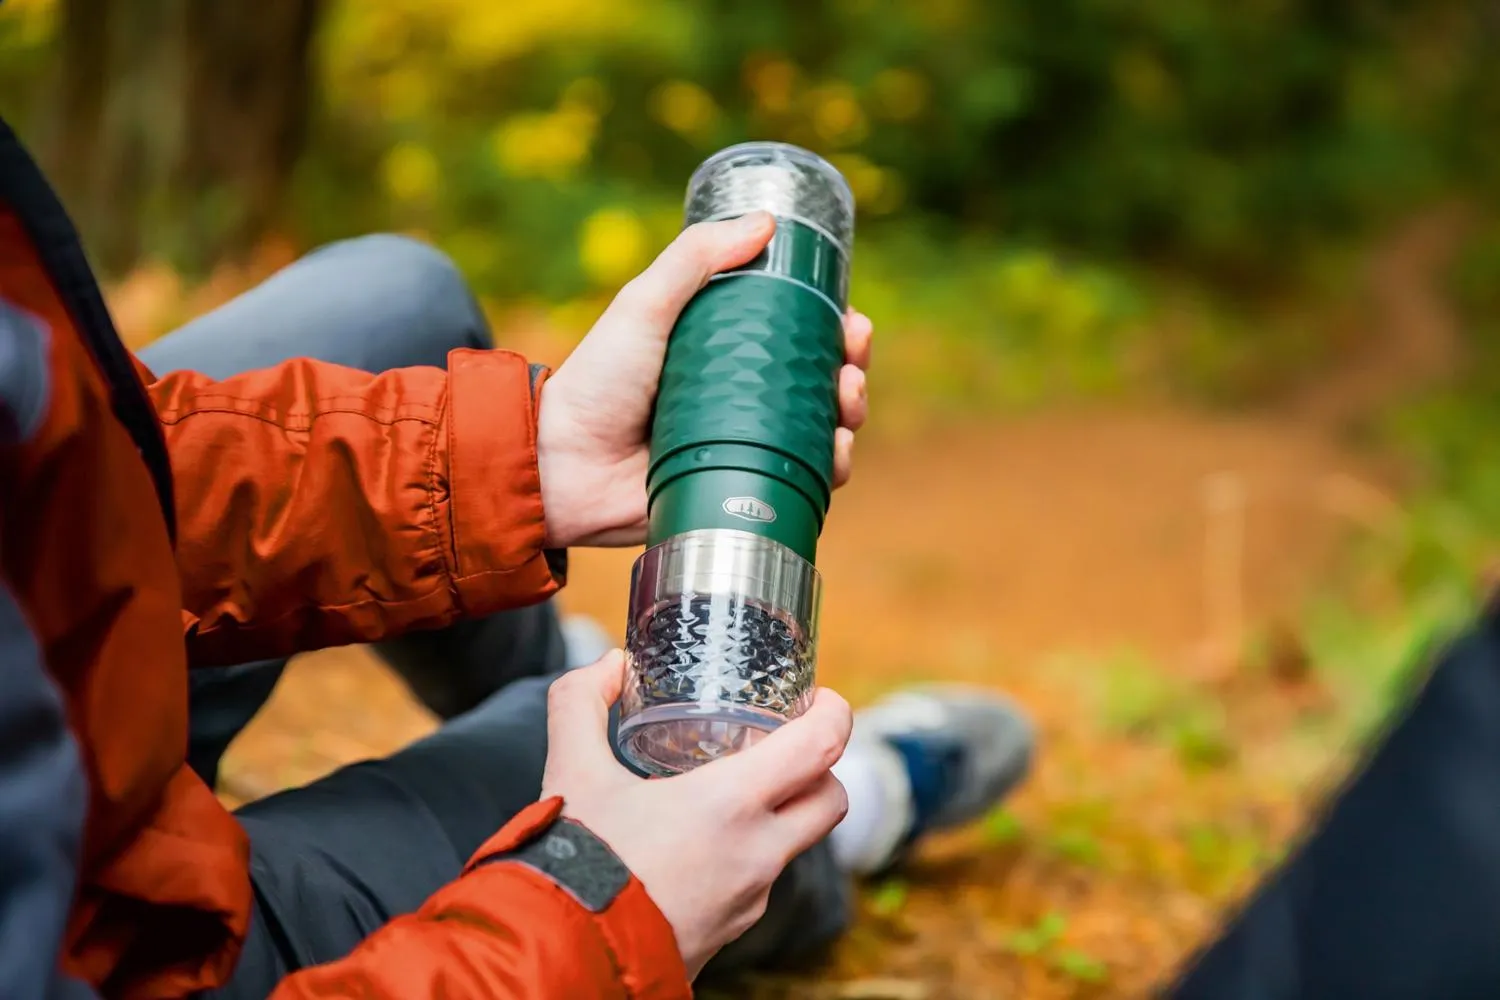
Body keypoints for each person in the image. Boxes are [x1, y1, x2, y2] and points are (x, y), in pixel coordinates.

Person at [0, 117, 1034, 999]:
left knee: (398, 300)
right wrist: (597, 901)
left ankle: (579, 682)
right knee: (686, 773)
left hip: (73, 701)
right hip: (115, 949)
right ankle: (840, 808)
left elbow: (58, 487)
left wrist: (532, 457)